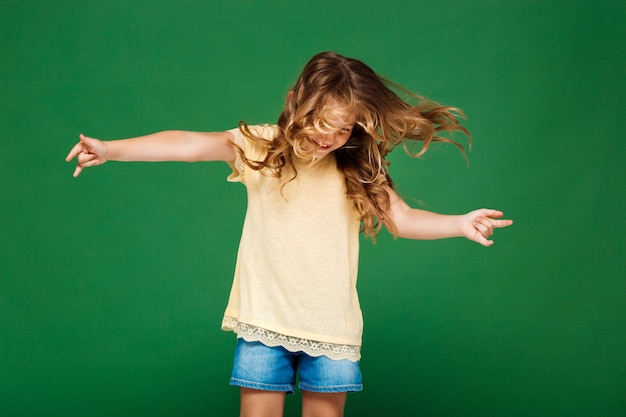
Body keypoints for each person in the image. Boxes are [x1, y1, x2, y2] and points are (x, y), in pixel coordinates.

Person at [65, 51, 512, 417]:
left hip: (332, 329)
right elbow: (187, 145)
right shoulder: (260, 147)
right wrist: (112, 150)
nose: (332, 137)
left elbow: (404, 218)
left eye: (344, 129)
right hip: (264, 323)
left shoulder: (356, 167)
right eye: (324, 124)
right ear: (301, 102)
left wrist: (458, 223)